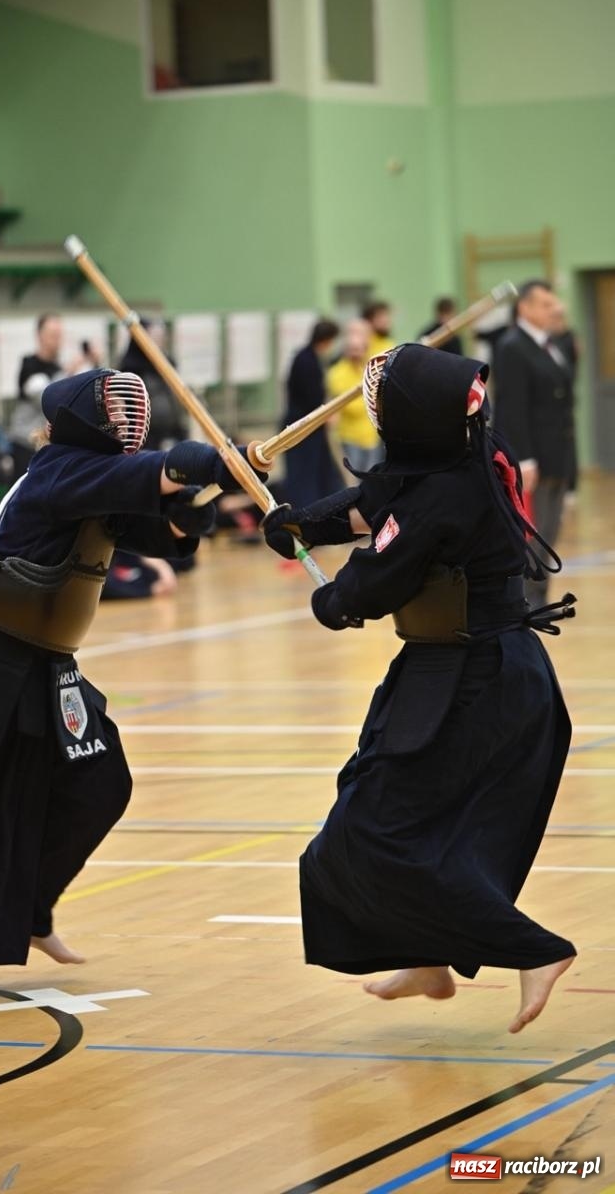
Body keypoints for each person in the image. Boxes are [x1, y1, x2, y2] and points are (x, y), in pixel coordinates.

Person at [0, 367, 266, 986]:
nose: (127, 422)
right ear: (83, 421)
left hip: (44, 663)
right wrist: (200, 465)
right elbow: (152, 474)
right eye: (115, 412)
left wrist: (212, 494)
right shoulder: (62, 470)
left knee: (99, 783)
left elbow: (165, 524)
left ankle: (29, 909)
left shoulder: (93, 482)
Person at [263, 343, 577, 1033]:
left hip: (478, 682)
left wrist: (329, 597)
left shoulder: (441, 495)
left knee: (365, 835)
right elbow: (372, 501)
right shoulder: (464, 457)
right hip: (464, 671)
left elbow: (361, 591)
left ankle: (533, 950)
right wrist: (298, 525)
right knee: (398, 823)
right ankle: (426, 957)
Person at [492, 281, 576, 608]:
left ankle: (539, 598)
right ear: (524, 308)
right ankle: (525, 603)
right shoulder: (513, 346)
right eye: (544, 304)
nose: (553, 309)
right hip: (534, 456)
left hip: (558, 453)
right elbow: (512, 406)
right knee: (533, 536)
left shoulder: (550, 343)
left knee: (550, 533)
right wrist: (523, 459)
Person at [282, 319, 344, 506]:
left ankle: (323, 506)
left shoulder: (308, 357)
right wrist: (325, 412)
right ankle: (305, 509)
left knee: (319, 470)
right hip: (303, 424)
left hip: (311, 423)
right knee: (304, 471)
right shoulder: (306, 360)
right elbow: (310, 396)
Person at [8, 313, 67, 477]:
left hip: (46, 445)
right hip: (25, 443)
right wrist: (68, 373)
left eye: (59, 335)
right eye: (52, 335)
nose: (57, 340)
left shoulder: (59, 367)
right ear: (39, 335)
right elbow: (46, 397)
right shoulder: (29, 366)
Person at [120, 321, 189, 451]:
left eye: (161, 338)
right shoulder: (131, 368)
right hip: (146, 437)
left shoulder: (167, 364)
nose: (159, 342)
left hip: (173, 431)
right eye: (155, 338)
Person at [326, 317, 381, 475]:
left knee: (372, 477)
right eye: (352, 349)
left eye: (359, 349)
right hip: (349, 436)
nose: (356, 353)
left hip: (370, 434)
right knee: (352, 478)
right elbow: (343, 402)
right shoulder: (337, 373)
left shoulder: (370, 368)